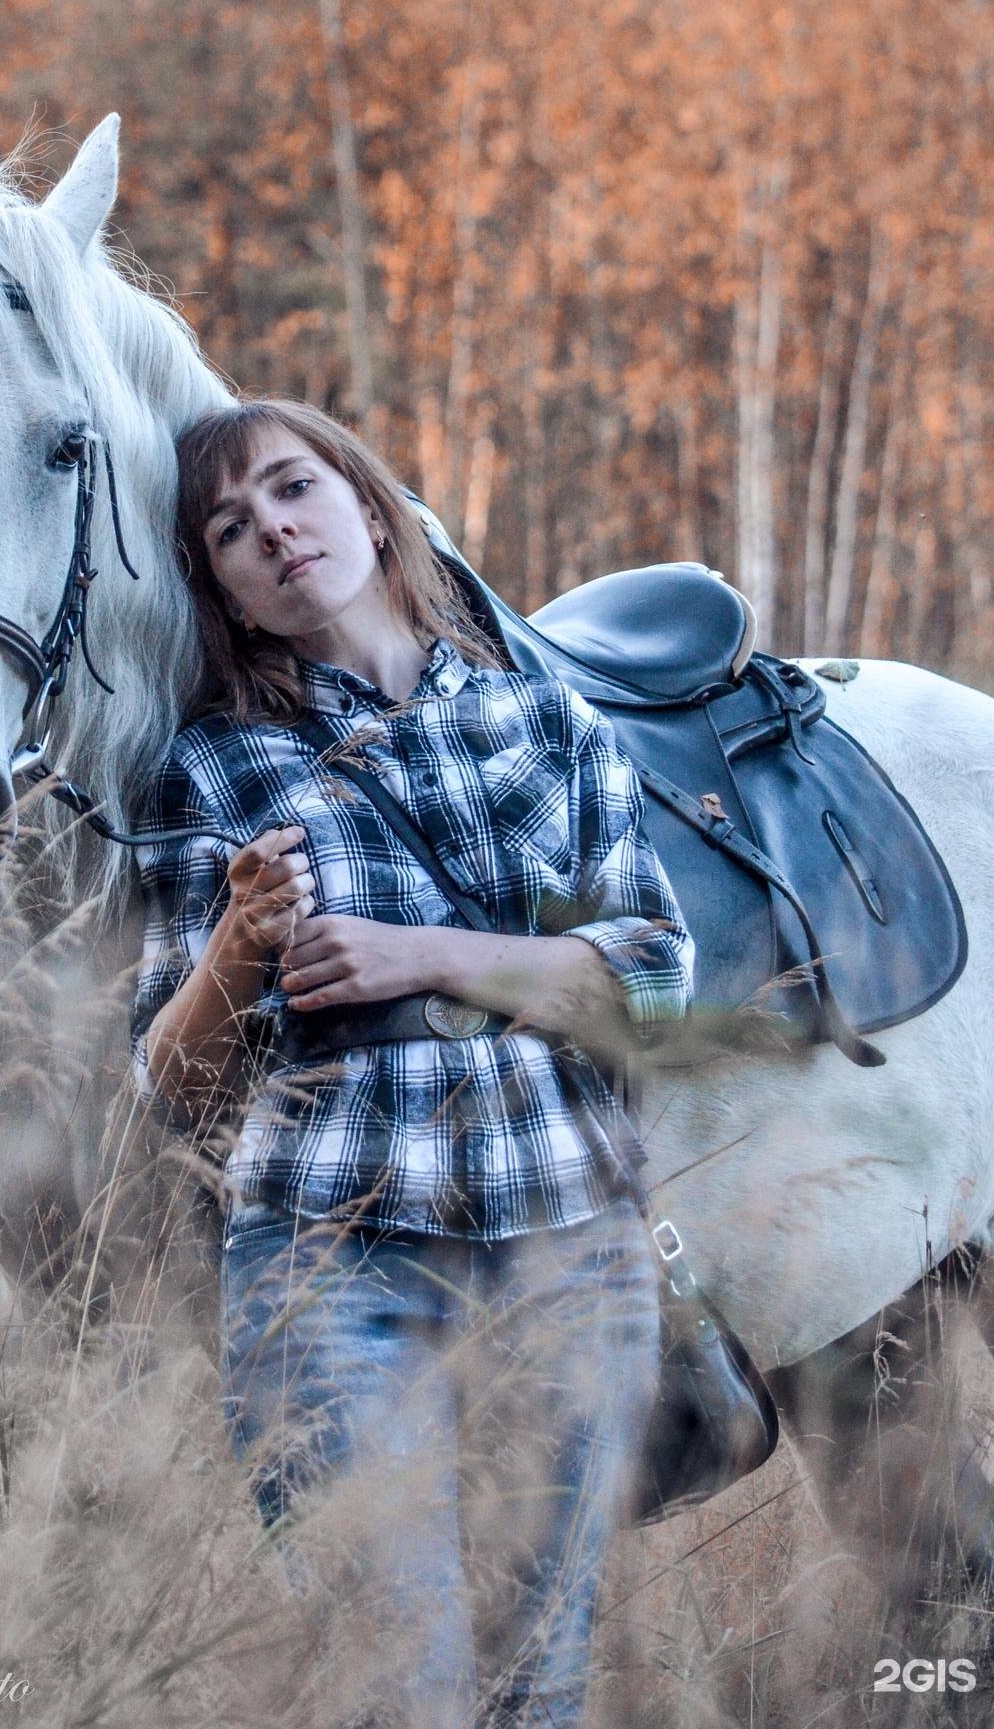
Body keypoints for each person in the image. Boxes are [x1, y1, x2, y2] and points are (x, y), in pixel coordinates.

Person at [130, 399, 694, 1728]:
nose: (272, 527)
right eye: (230, 525)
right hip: (335, 1274)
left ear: (370, 510)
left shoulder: (545, 723)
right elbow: (172, 1087)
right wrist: (236, 949)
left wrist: (422, 955)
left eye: (292, 489)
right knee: (404, 1690)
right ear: (223, 587)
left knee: (539, 1684)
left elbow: (657, 985)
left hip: (575, 1262)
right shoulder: (210, 771)